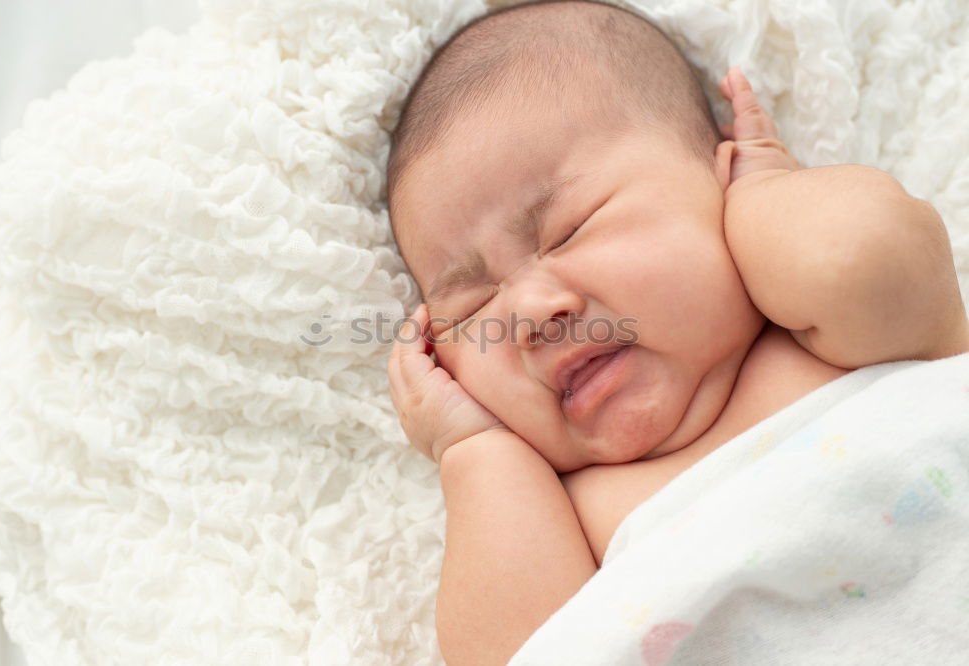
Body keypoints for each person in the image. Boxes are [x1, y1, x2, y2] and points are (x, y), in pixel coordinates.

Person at [384, 1, 969, 664]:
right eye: (471, 306)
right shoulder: (564, 519)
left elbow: (859, 257)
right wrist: (476, 453)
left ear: (720, 181)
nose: (527, 312)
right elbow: (521, 653)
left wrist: (765, 189)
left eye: (569, 229)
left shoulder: (840, 341)